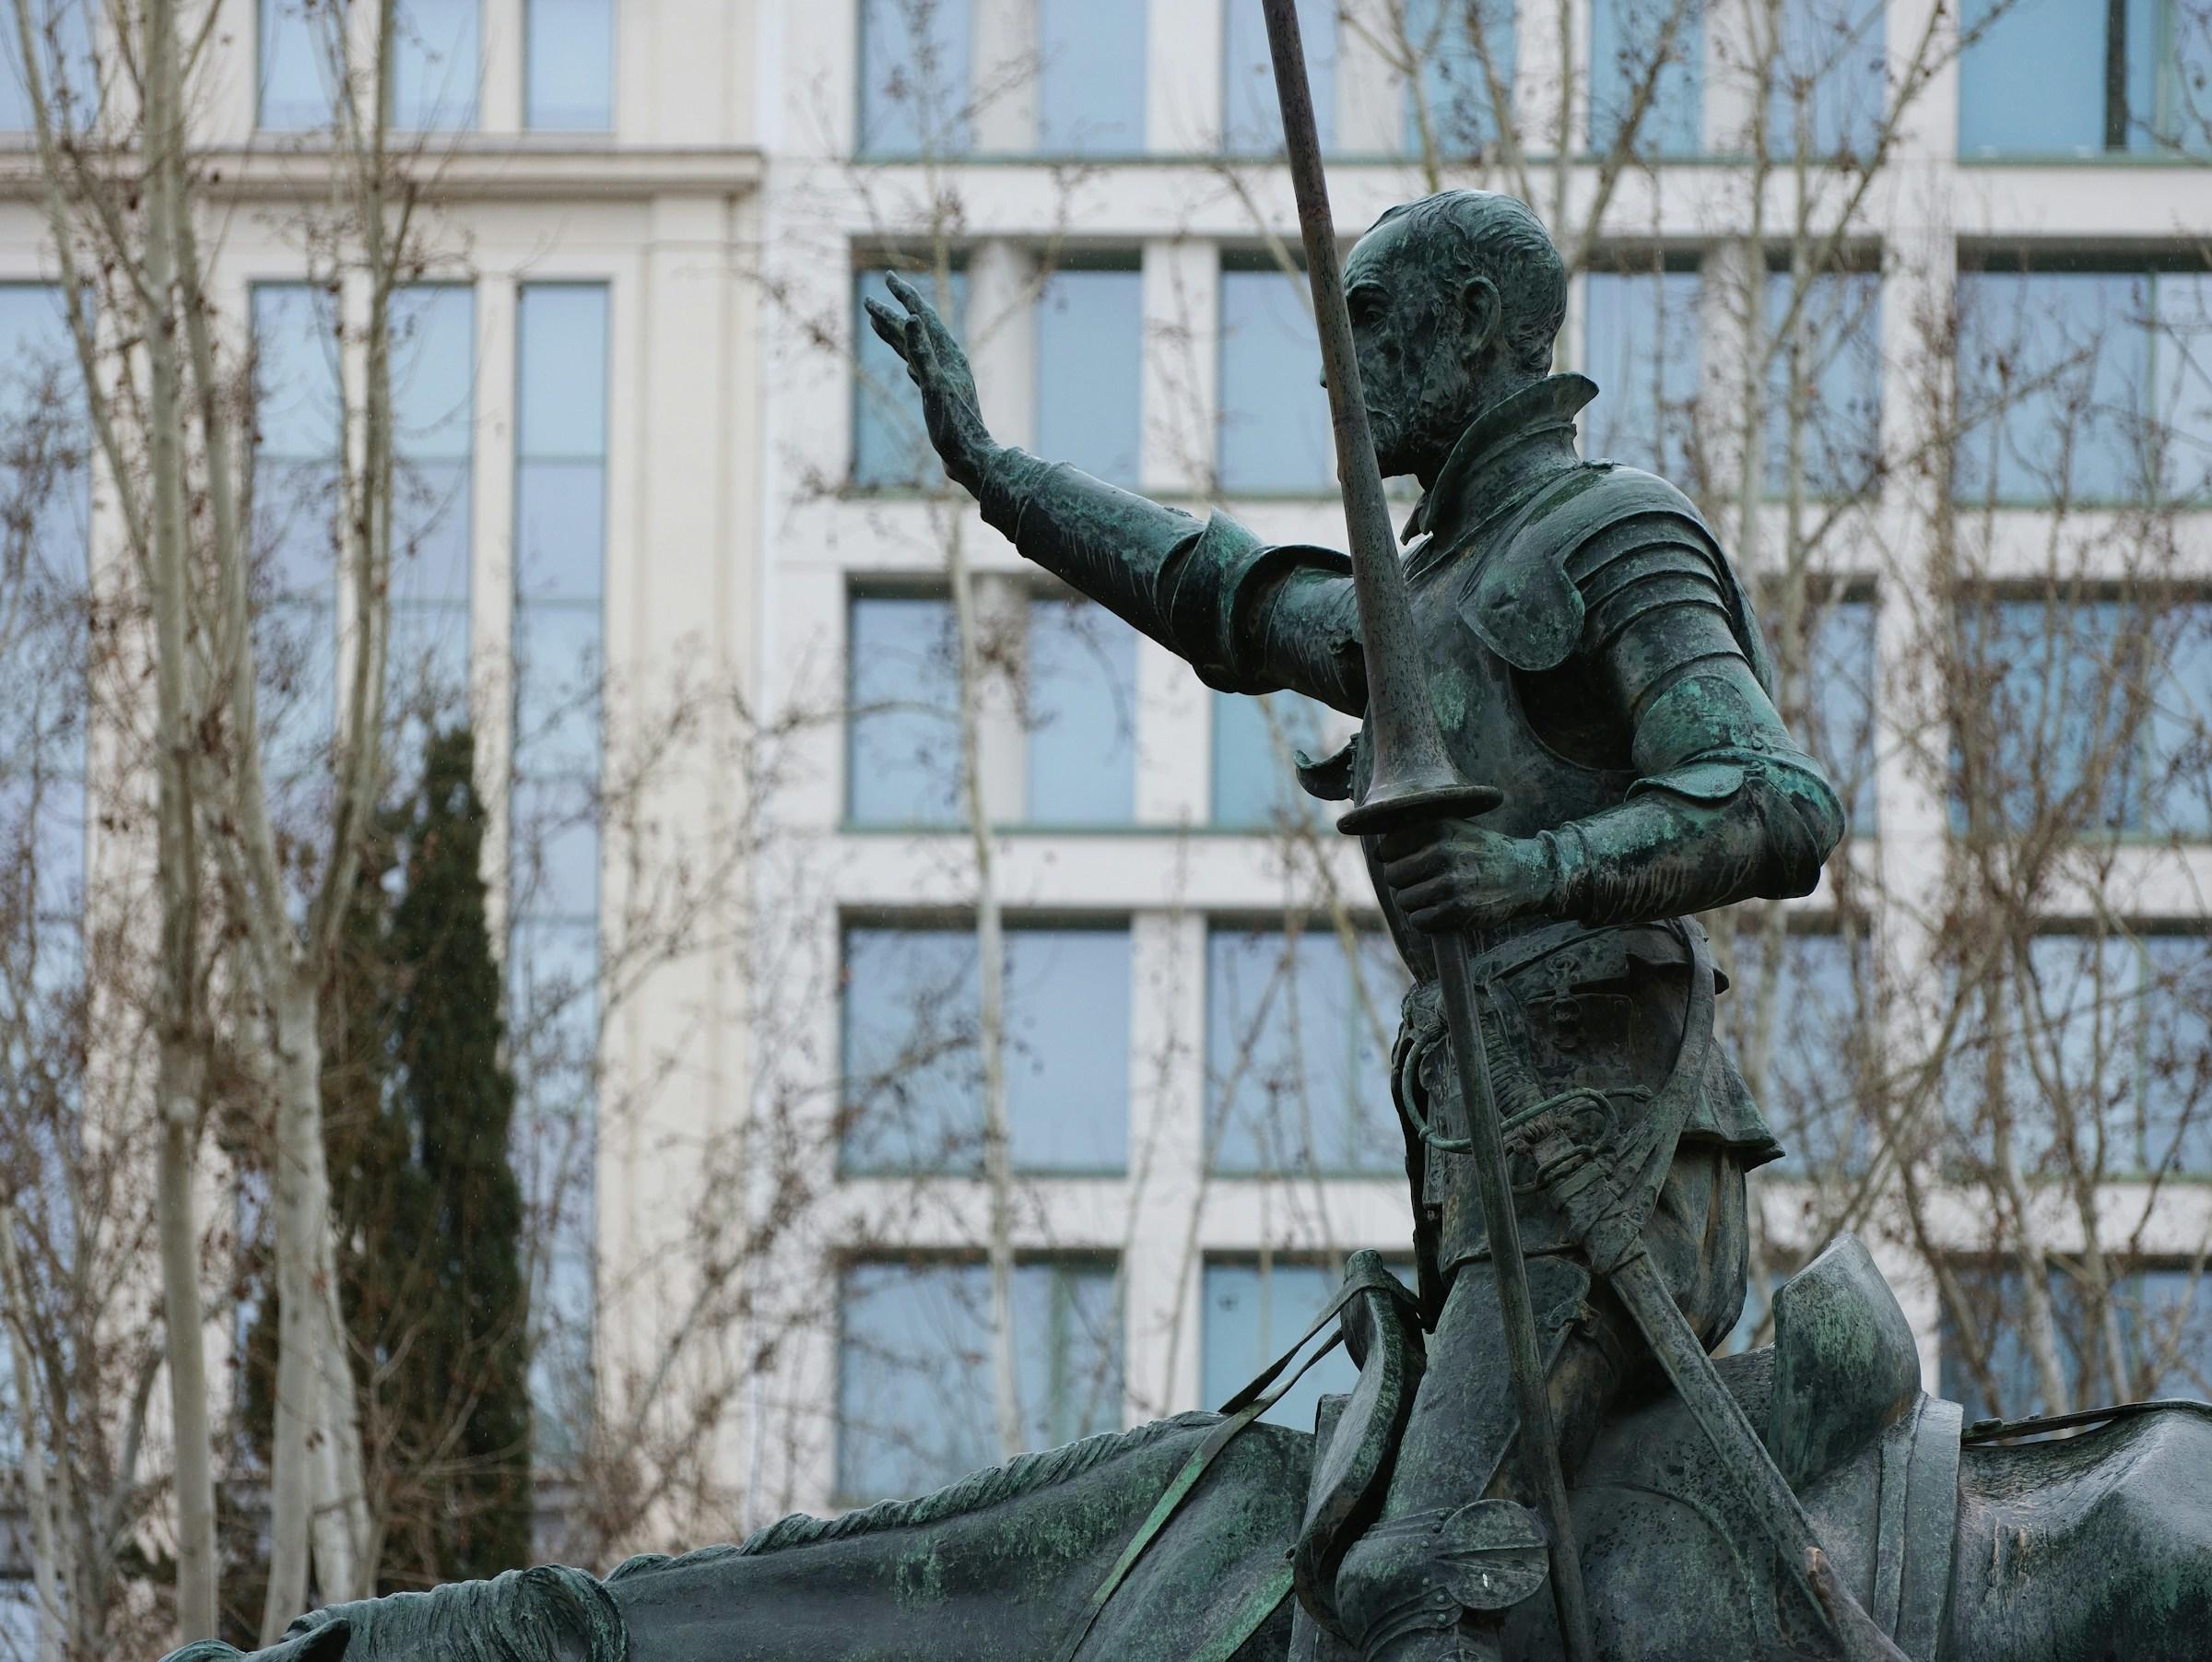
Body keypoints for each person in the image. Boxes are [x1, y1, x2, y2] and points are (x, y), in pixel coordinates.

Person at [865, 188, 1845, 1662]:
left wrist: (1538, 870)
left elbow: (1779, 801)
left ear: (1477, 322)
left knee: (1408, 1571)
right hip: (1495, 1187)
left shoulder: (1611, 530)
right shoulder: (1422, 589)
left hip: (1612, 1173)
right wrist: (995, 472)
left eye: (1371, 318)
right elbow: (1219, 592)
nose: (1340, 362)